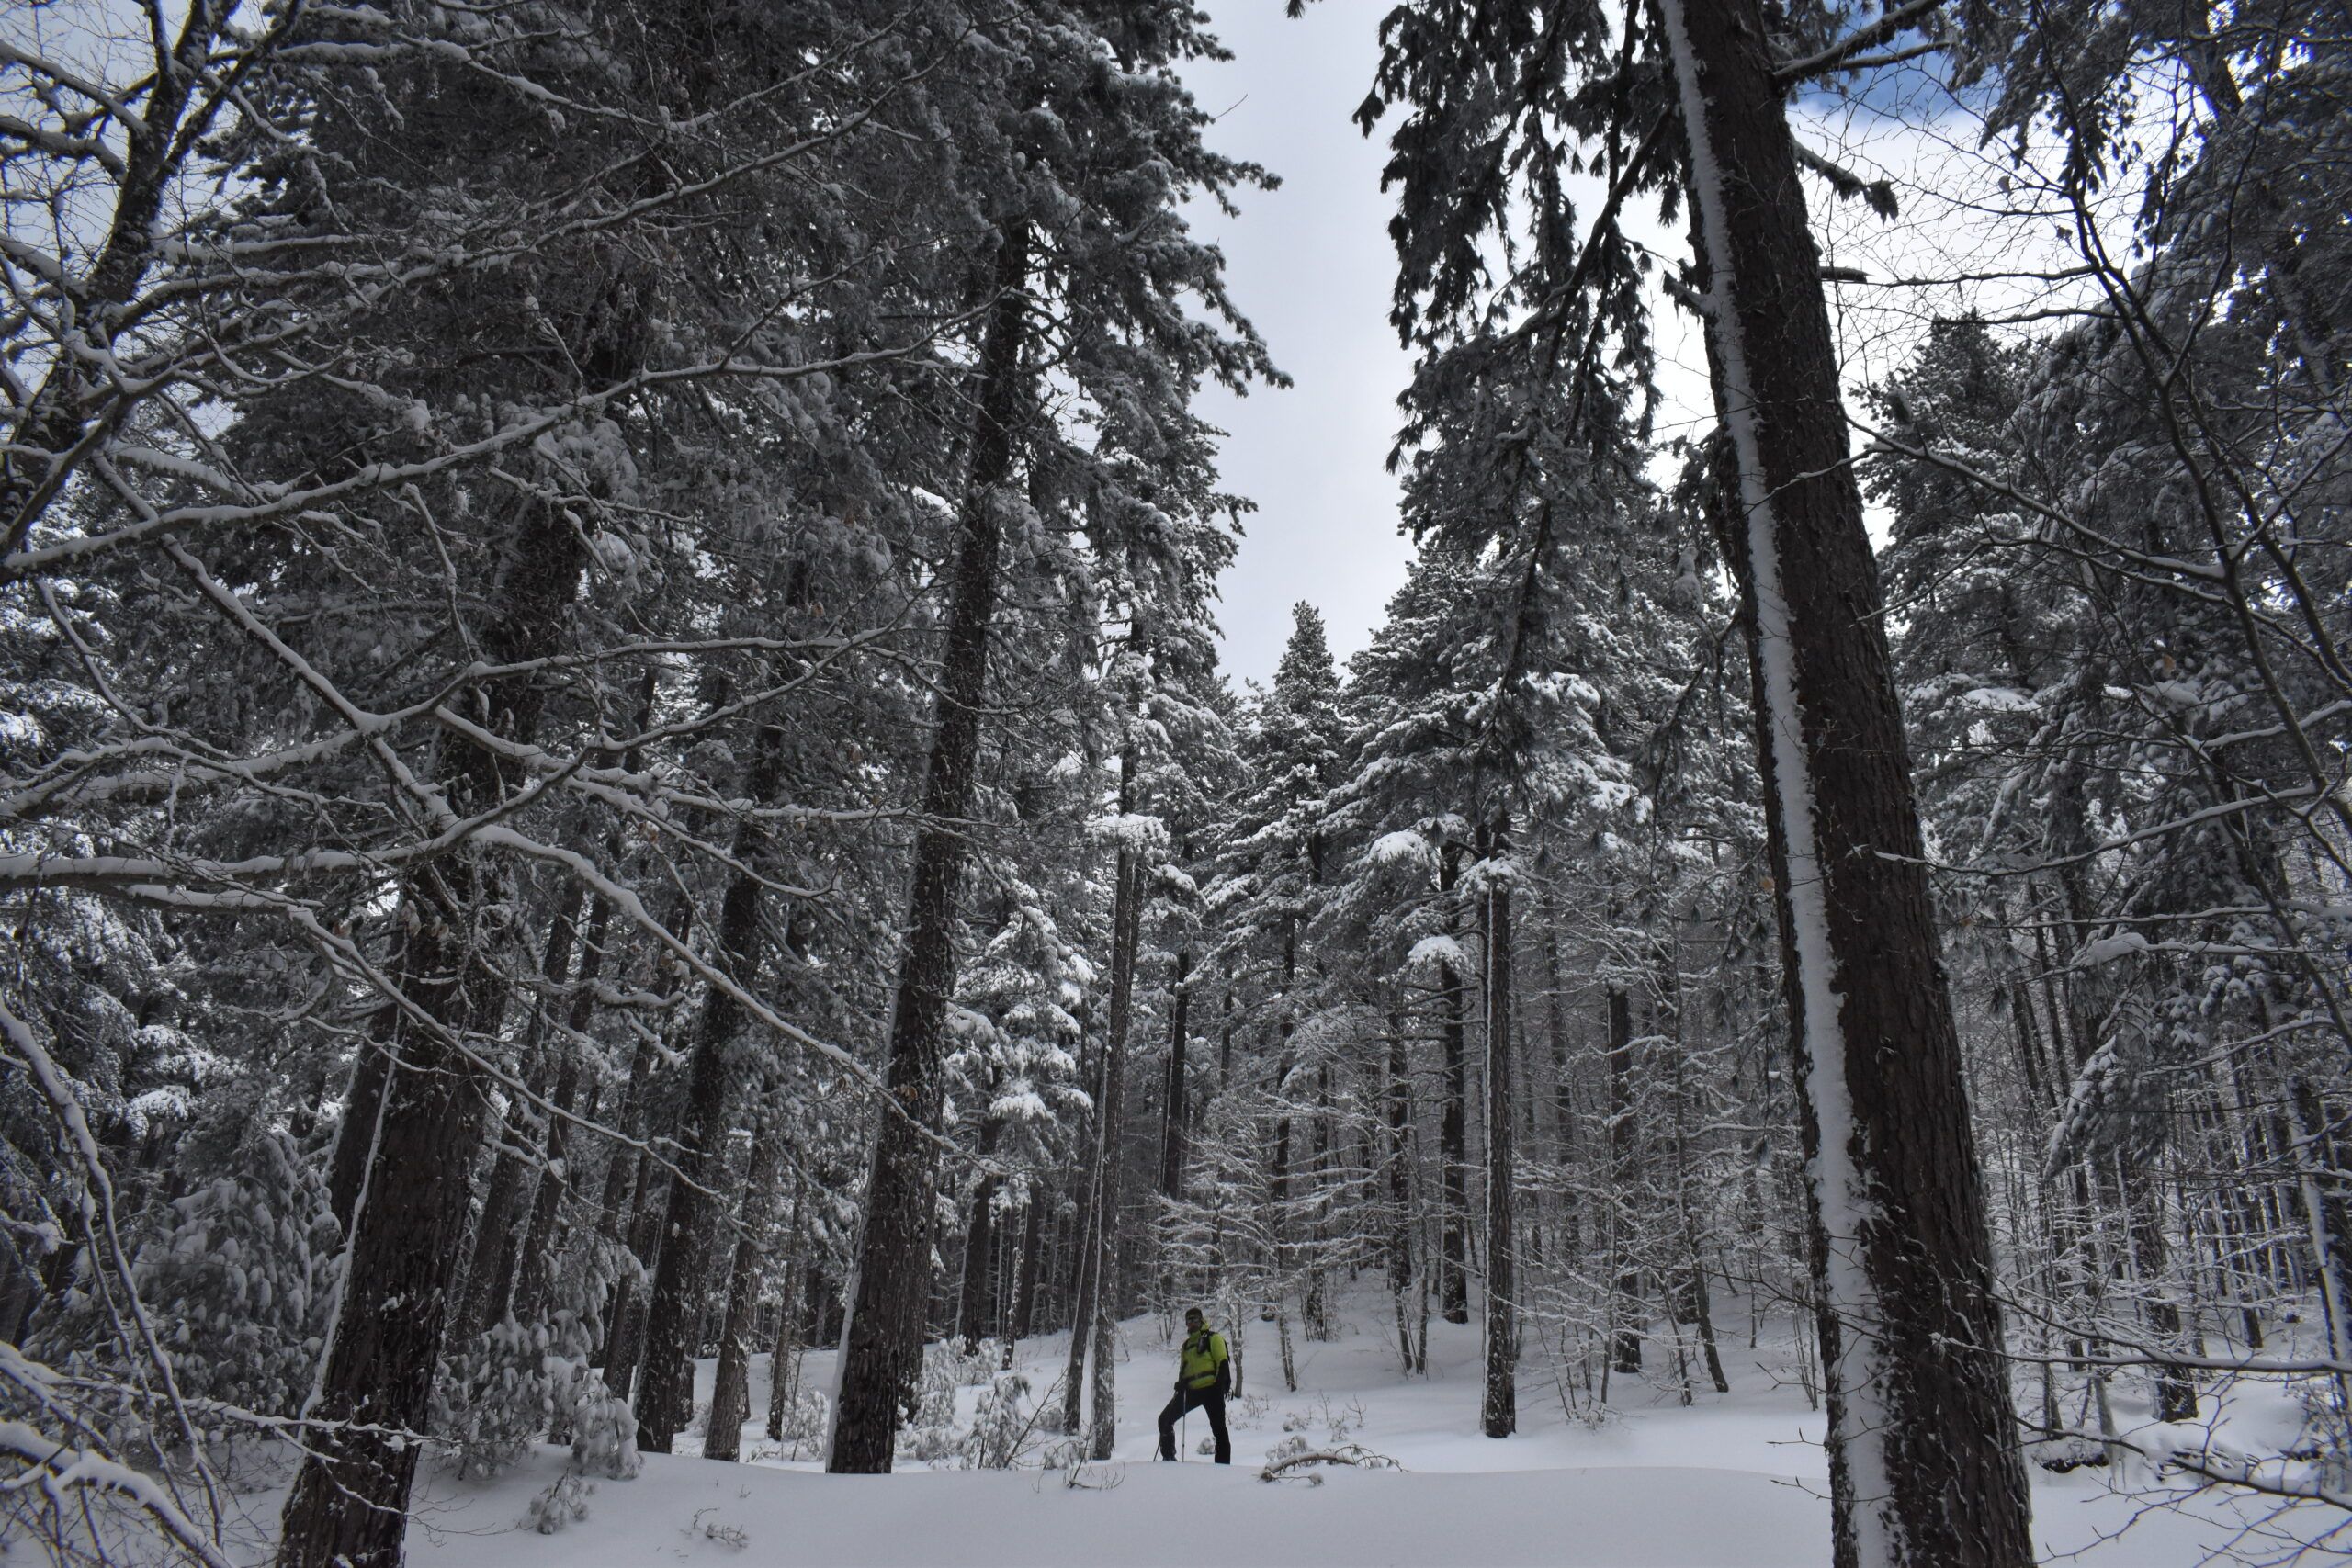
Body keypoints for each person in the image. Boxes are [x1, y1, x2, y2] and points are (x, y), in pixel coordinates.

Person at [1157, 1306, 1231, 1463]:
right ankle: (1168, 1459)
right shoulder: (1186, 1346)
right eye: (1189, 1320)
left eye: (1195, 1319)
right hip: (1191, 1392)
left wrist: (1219, 1385)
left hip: (1212, 1389)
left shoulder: (1213, 1338)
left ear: (1201, 1320)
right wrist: (1181, 1384)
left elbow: (1223, 1361)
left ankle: (1223, 1468)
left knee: (1219, 1430)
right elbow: (1184, 1370)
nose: (1192, 1323)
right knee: (1164, 1420)